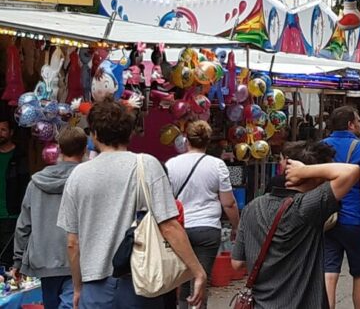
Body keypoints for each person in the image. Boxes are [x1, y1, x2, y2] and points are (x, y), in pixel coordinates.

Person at [57, 100, 206, 308]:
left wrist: (78, 288)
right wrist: (197, 271)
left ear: (95, 135)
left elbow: (72, 242)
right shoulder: (146, 165)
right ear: (129, 133)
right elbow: (170, 226)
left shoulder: (77, 176)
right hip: (139, 283)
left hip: (94, 288)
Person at [231, 139, 359, 308]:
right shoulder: (307, 207)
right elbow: (351, 171)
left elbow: (237, 263)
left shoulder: (252, 207)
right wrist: (306, 171)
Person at [165, 120, 240, 309]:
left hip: (179, 228)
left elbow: (165, 201)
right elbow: (229, 203)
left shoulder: (171, 164)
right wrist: (236, 226)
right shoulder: (217, 165)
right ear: (208, 141)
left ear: (186, 140)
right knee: (202, 279)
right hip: (208, 228)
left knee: (181, 281)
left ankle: (182, 305)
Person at [11, 126, 85, 309]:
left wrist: (18, 261)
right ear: (84, 150)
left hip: (44, 259)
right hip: (78, 257)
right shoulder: (87, 179)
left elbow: (23, 225)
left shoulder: (36, 182)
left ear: (59, 149)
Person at [322, 106, 360, 309]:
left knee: (328, 273)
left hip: (326, 218)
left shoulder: (321, 147)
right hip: (356, 219)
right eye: (359, 121)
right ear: (350, 125)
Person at [0, 117, 29, 268]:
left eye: (3, 130)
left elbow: (24, 186)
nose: (0, 133)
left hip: (11, 215)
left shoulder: (19, 156)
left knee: (7, 259)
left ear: (11, 132)